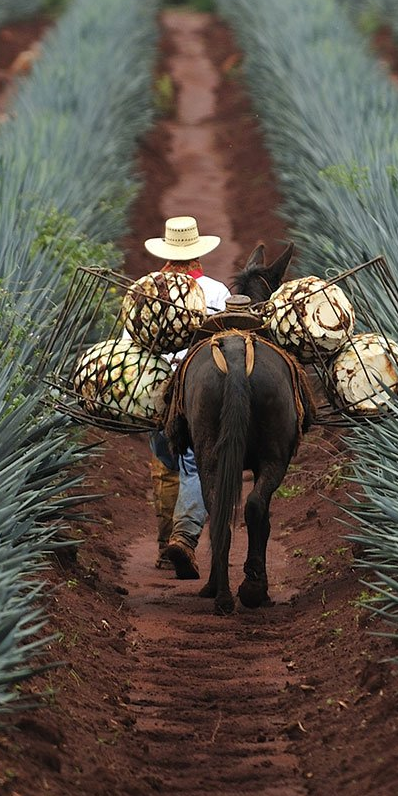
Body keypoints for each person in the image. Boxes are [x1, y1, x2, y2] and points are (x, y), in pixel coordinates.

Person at [142, 215, 229, 580]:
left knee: (166, 464)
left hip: (161, 389)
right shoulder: (217, 291)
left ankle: (167, 546)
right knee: (195, 463)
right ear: (197, 256)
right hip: (202, 389)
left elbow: (135, 345)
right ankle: (183, 537)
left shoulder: (147, 290)